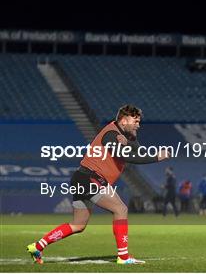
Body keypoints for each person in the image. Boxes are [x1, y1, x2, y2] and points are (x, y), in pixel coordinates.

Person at [26, 105, 169, 265]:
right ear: (124, 120)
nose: (138, 125)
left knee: (78, 225)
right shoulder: (111, 134)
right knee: (120, 209)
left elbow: (138, 152)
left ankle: (37, 246)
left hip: (82, 177)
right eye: (135, 121)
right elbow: (127, 156)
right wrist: (156, 157)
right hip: (91, 178)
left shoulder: (122, 135)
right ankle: (123, 257)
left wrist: (130, 140)